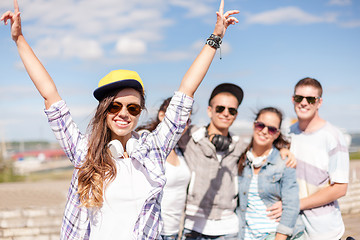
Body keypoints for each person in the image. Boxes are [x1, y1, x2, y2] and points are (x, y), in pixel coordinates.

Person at [1, 0, 239, 239]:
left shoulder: (153, 149)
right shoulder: (84, 151)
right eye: (115, 106)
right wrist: (19, 39)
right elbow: (49, 94)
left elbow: (187, 90)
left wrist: (215, 37)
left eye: (133, 108)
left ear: (139, 112)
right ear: (104, 110)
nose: (123, 113)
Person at [179, 84, 296, 240]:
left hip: (228, 230)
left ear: (235, 115)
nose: (226, 114)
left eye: (231, 110)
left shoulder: (240, 147)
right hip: (193, 227)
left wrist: (283, 149)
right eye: (220, 108)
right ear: (209, 110)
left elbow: (264, 148)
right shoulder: (189, 138)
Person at [289, 77, 349, 240]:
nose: (304, 103)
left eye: (310, 99)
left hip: (324, 231)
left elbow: (340, 188)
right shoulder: (288, 133)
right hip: (293, 228)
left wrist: (296, 205)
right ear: (293, 99)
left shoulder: (333, 136)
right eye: (299, 98)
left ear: (319, 102)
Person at [237, 107, 304, 240]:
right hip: (247, 235)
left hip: (276, 235)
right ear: (254, 125)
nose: (265, 131)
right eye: (260, 125)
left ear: (277, 134)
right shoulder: (241, 159)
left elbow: (291, 204)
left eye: (272, 129)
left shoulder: (284, 162)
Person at [137, 97, 191, 240]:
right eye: (180, 118)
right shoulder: (146, 141)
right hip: (151, 231)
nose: (182, 124)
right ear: (162, 115)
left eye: (187, 121)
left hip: (174, 231)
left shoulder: (180, 150)